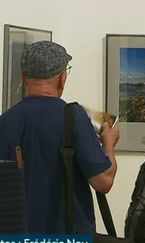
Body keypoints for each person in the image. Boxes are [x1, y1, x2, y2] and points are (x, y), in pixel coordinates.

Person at [0, 41, 120, 233]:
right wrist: (109, 144)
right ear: (62, 78)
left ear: (24, 77)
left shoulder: (5, 121)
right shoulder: (72, 117)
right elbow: (103, 182)